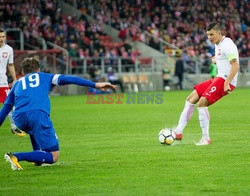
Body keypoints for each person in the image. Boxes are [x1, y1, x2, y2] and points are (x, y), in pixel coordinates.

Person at [0, 57, 116, 170]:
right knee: (53, 156)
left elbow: (6, 106)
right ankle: (16, 156)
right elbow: (70, 79)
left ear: (23, 72)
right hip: (37, 115)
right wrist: (95, 84)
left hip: (19, 118)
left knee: (32, 128)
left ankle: (37, 158)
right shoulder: (46, 77)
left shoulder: (17, 83)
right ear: (39, 69)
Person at [173, 22, 239, 145]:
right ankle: (178, 131)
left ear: (219, 33)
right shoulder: (218, 44)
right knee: (191, 98)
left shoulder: (227, 45)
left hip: (225, 80)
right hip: (219, 78)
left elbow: (235, 65)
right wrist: (215, 59)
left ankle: (206, 138)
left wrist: (227, 82)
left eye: (212, 34)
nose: (209, 37)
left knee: (202, 103)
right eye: (208, 35)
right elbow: (223, 59)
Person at [0, 28, 26, 137]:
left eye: (3, 37)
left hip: (2, 82)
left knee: (10, 105)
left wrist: (15, 79)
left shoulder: (9, 49)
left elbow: (10, 65)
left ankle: (14, 127)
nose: (1, 39)